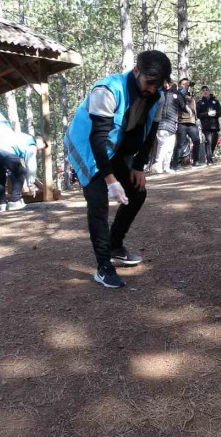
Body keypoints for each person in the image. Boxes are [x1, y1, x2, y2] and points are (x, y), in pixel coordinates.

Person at [64, 50, 169, 288]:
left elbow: (151, 131)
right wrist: (111, 180)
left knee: (137, 192)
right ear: (136, 71)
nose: (152, 89)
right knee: (99, 200)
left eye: (158, 84)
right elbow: (97, 139)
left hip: (115, 147)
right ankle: (103, 266)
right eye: (149, 82)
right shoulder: (107, 90)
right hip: (87, 145)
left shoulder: (158, 96)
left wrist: (138, 167)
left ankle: (115, 244)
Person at [153, 78, 184, 174]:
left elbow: (182, 106)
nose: (167, 85)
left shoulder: (177, 94)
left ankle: (166, 166)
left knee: (170, 147)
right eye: (165, 82)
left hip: (172, 123)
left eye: (169, 83)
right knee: (162, 144)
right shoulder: (159, 93)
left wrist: (179, 96)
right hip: (161, 123)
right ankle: (158, 165)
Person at [175, 78, 203, 167]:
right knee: (180, 143)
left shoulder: (190, 96)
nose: (186, 86)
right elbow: (179, 97)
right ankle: (176, 163)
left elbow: (194, 108)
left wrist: (196, 118)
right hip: (182, 122)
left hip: (192, 122)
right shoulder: (178, 94)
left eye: (187, 84)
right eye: (184, 84)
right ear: (179, 85)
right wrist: (184, 89)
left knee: (197, 141)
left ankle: (196, 161)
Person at [196, 85, 221, 165]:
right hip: (206, 126)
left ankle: (210, 155)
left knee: (214, 141)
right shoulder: (200, 102)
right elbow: (198, 115)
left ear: (209, 91)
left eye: (206, 90)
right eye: (203, 90)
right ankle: (209, 160)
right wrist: (207, 114)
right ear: (202, 92)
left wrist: (215, 113)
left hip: (215, 125)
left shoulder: (215, 101)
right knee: (209, 141)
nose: (205, 91)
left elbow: (220, 112)